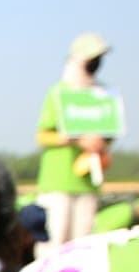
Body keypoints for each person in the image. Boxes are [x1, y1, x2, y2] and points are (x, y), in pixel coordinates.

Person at [33, 33, 113, 258]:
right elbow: (42, 135)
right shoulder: (59, 92)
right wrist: (74, 140)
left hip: (88, 180)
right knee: (54, 240)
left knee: (82, 244)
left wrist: (99, 143)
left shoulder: (103, 95)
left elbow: (110, 134)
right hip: (58, 181)